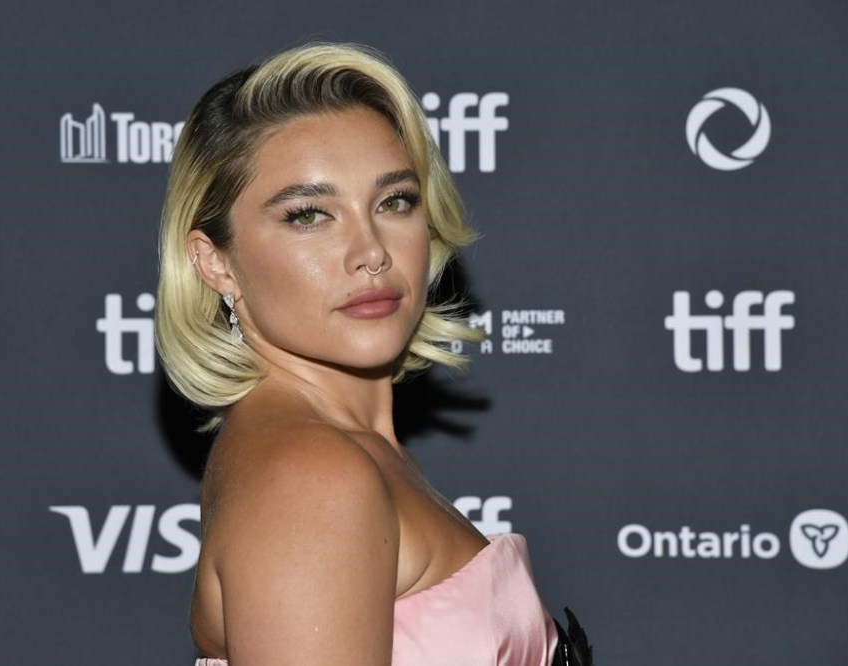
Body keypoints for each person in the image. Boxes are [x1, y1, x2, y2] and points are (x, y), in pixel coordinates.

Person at [156, 42, 589, 666]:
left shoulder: (339, 451)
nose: (372, 252)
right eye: (309, 215)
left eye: (394, 202)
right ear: (216, 262)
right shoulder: (311, 476)